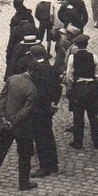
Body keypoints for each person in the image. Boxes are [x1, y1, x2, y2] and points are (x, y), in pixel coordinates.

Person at [0, 65, 37, 191]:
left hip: (6, 124)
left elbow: (2, 97)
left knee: (0, 151)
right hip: (22, 128)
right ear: (32, 71)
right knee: (24, 155)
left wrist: (1, 116)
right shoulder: (32, 88)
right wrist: (14, 121)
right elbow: (26, 111)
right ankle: (24, 183)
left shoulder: (12, 78)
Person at [24, 44, 60, 177]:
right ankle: (53, 164)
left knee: (41, 137)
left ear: (33, 55)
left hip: (39, 109)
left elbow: (35, 91)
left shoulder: (36, 70)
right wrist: (53, 103)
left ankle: (45, 166)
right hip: (48, 108)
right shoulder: (52, 69)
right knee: (49, 135)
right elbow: (58, 88)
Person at [66, 37, 98, 149]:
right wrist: (97, 87)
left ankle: (78, 142)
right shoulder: (94, 57)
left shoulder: (72, 58)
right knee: (93, 115)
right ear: (87, 44)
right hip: (91, 88)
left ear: (77, 45)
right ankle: (97, 141)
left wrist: (70, 88)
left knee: (78, 116)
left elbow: (69, 75)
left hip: (79, 88)